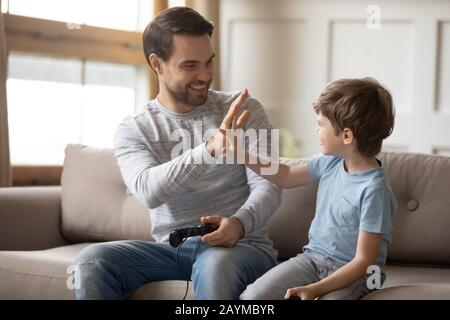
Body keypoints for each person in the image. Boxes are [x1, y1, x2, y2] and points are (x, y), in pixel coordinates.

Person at [73, 7, 281, 300]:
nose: (205, 75)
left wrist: (241, 223)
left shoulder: (244, 110)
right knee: (93, 260)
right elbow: (148, 191)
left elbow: (269, 183)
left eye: (209, 62)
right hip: (171, 250)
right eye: (190, 65)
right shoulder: (134, 129)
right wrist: (209, 149)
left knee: (215, 265)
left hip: (241, 247)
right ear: (157, 64)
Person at [223, 78, 397, 300]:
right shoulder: (331, 162)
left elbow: (364, 262)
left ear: (346, 136)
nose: (316, 131)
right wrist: (241, 154)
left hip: (361, 274)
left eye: (321, 124)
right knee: (252, 298)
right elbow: (285, 176)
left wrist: (315, 289)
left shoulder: (375, 191)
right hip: (314, 258)